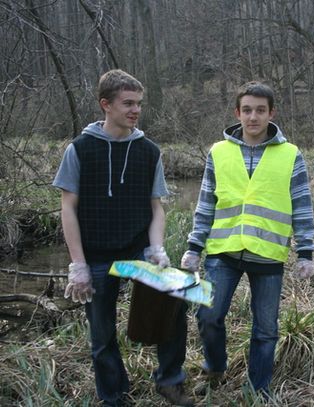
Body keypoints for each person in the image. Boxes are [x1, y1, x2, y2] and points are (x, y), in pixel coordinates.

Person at [53, 69, 193, 407]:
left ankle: (169, 380)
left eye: (138, 104)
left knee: (174, 305)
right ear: (106, 105)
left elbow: (156, 207)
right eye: (127, 103)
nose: (135, 110)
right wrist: (78, 265)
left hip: (138, 253)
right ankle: (115, 396)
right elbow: (68, 209)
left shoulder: (149, 151)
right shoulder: (80, 149)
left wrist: (156, 247)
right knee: (102, 338)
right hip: (96, 255)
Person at [180, 81, 314, 398]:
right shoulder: (219, 152)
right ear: (237, 113)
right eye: (247, 110)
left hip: (267, 255)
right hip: (222, 251)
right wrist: (193, 247)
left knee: (266, 329)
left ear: (271, 113)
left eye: (260, 110)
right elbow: (205, 203)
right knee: (208, 315)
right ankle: (215, 368)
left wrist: (306, 251)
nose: (253, 117)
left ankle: (258, 389)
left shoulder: (291, 155)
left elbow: (302, 205)